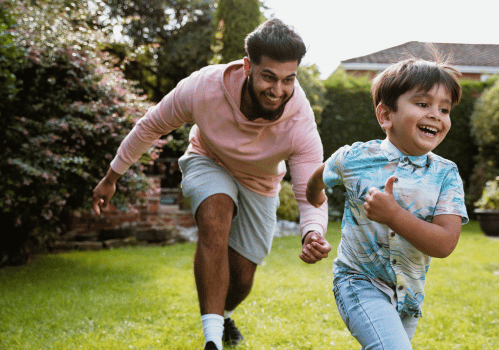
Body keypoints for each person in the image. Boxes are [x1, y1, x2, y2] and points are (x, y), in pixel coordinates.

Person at [91, 19, 331, 350]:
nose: (278, 91)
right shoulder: (203, 88)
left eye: (288, 80)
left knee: (243, 276)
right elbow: (150, 126)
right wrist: (111, 177)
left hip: (261, 182)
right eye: (268, 77)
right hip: (209, 159)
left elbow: (310, 190)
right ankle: (212, 341)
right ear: (248, 66)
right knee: (214, 220)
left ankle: (224, 314)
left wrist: (313, 231)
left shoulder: (300, 122)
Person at [306, 57, 469, 349]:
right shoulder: (355, 158)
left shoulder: (446, 174)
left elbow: (445, 244)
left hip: (408, 295)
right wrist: (315, 197)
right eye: (423, 104)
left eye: (444, 109)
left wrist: (393, 215)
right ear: (385, 115)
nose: (436, 115)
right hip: (358, 281)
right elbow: (320, 174)